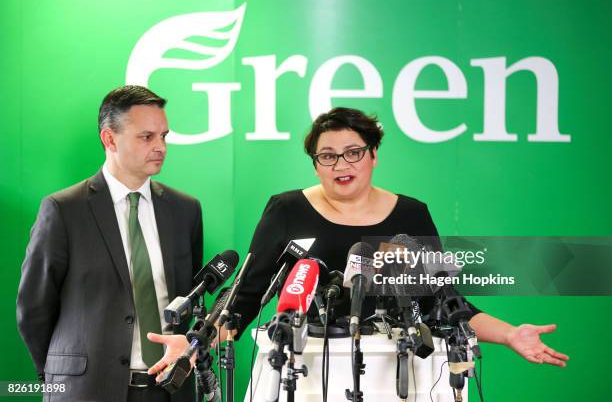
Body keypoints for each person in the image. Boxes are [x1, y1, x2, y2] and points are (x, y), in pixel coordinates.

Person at [149, 107, 568, 381]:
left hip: (395, 368)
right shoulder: (286, 210)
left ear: (373, 155)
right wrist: (195, 341)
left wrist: (511, 334)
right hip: (301, 368)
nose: (341, 165)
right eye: (327, 156)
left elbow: (446, 304)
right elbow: (247, 297)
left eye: (353, 153)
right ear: (315, 164)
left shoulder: (411, 215)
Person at [16, 85, 202, 402]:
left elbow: (193, 302)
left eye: (164, 136)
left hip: (169, 391)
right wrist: (60, 376)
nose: (160, 147)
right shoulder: (64, 210)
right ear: (109, 139)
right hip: (86, 391)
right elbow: (34, 309)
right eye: (147, 137)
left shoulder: (185, 210)